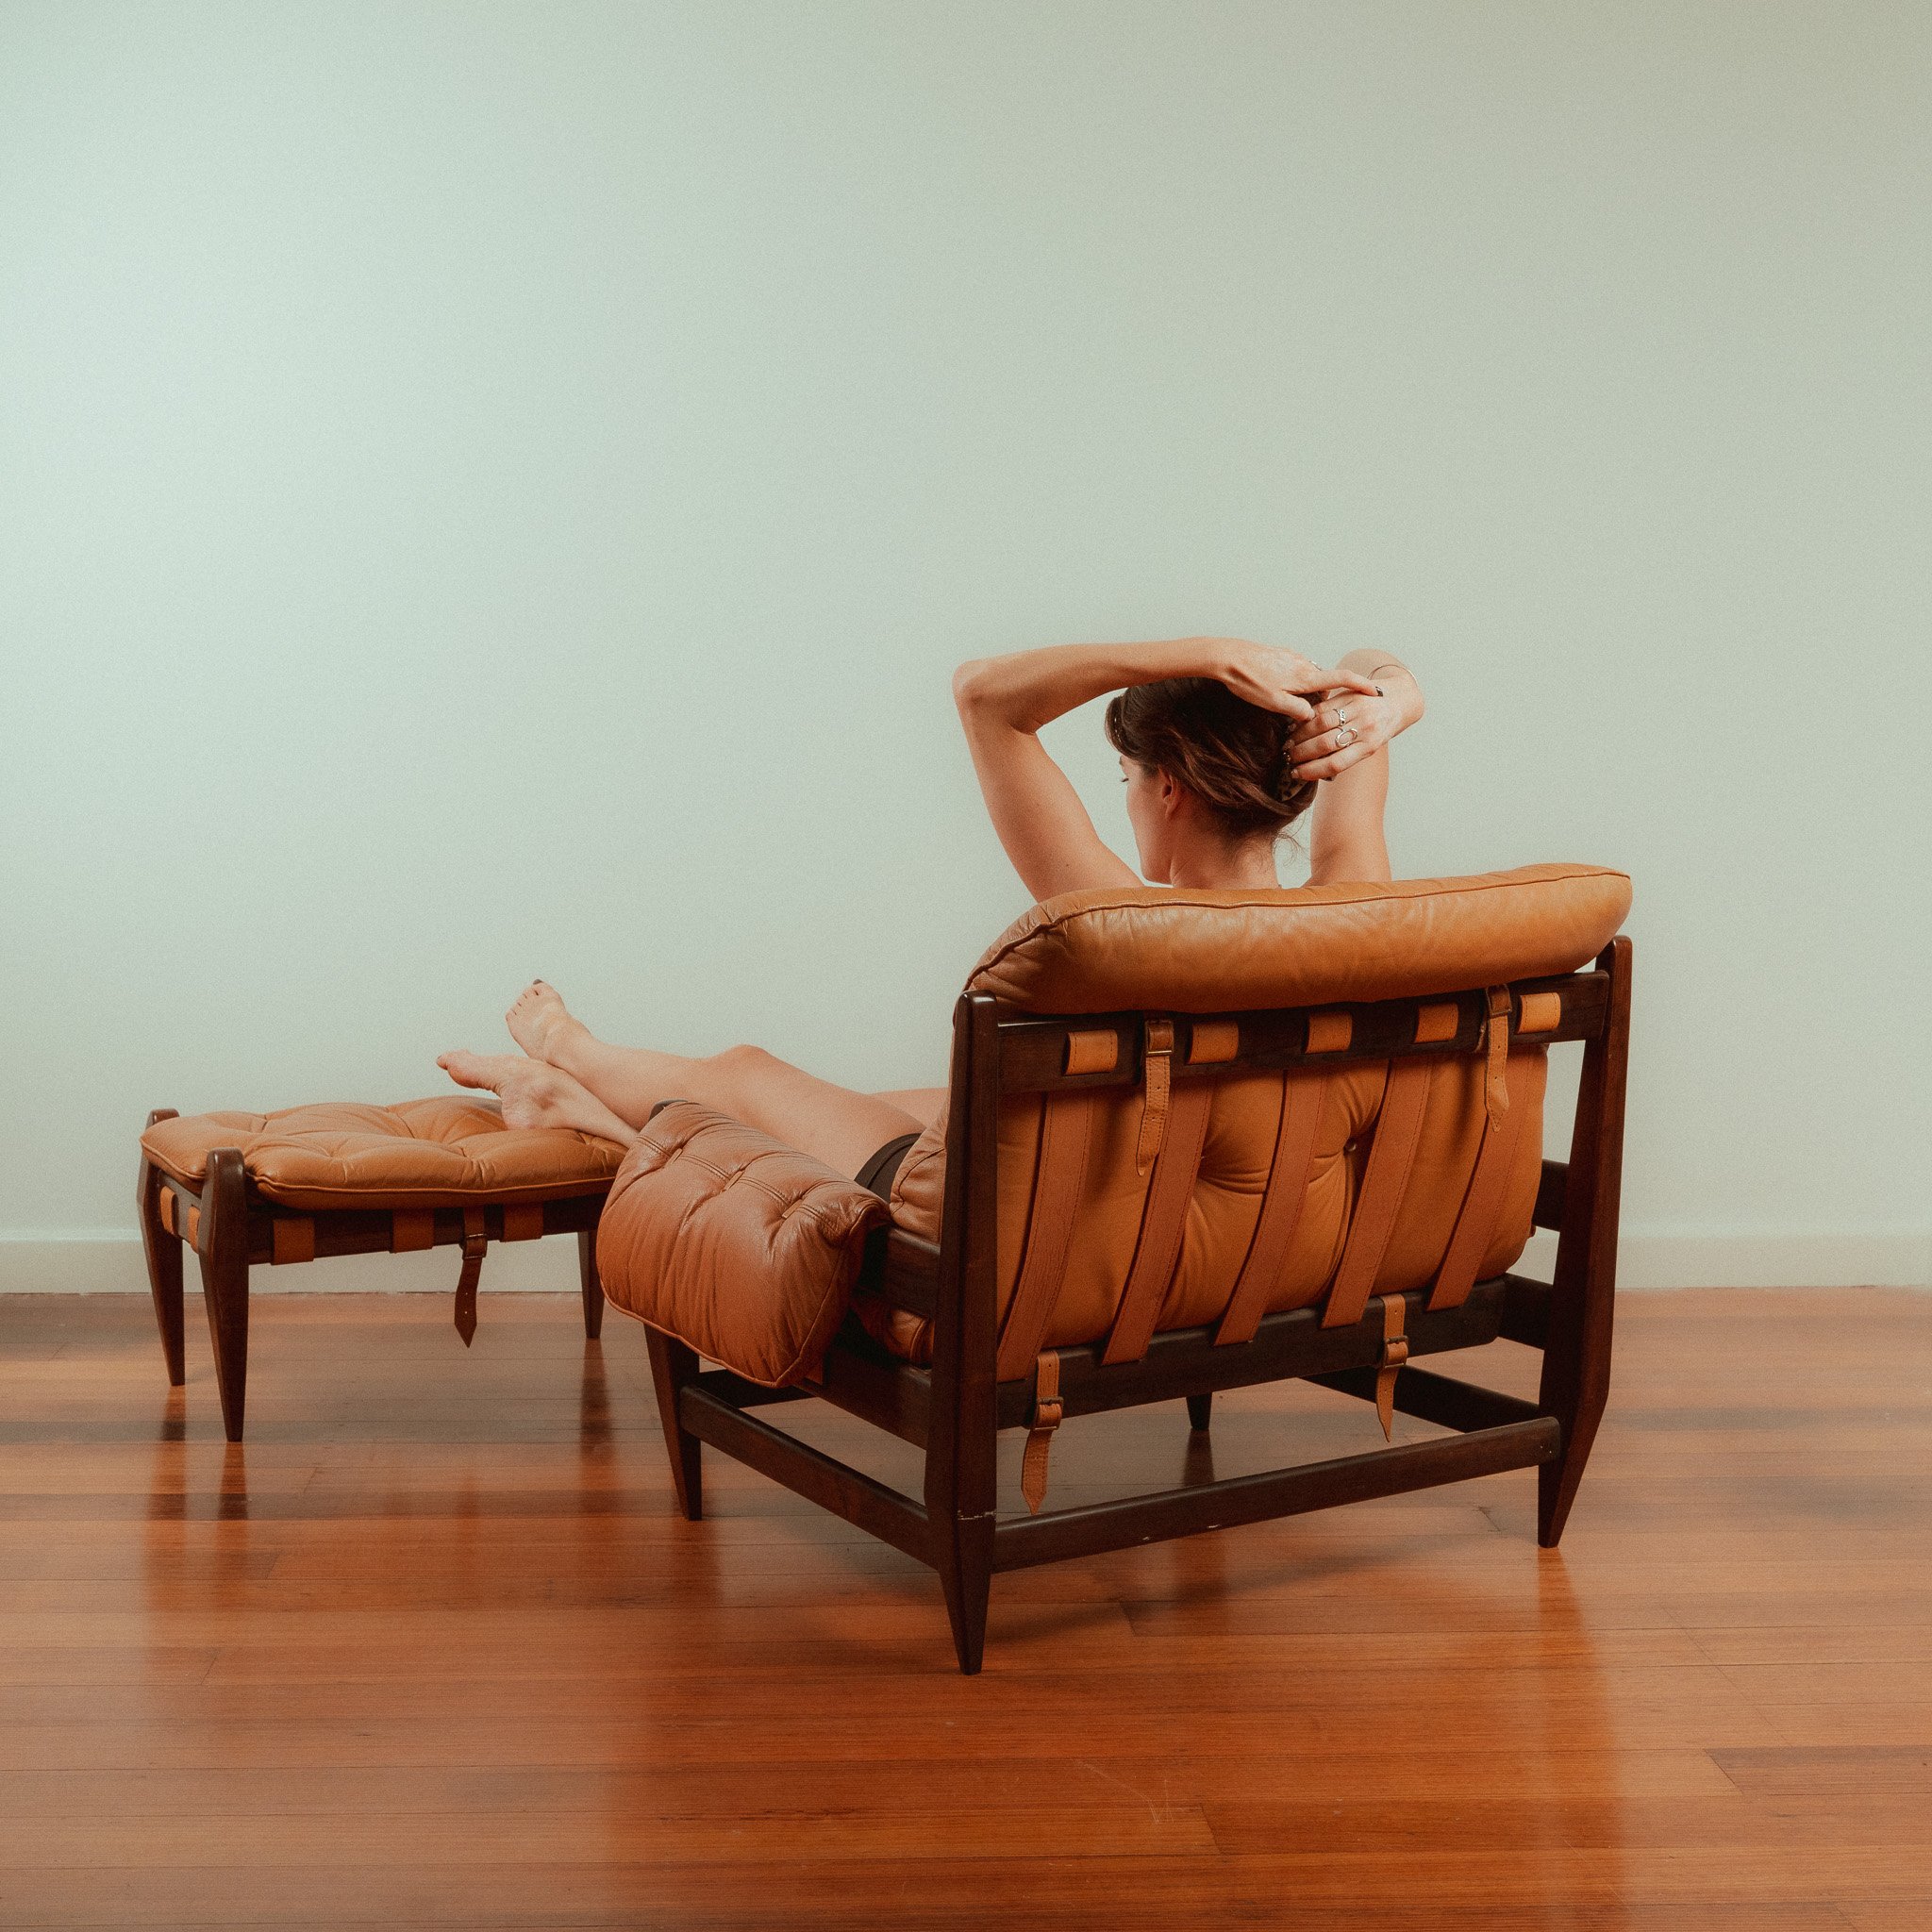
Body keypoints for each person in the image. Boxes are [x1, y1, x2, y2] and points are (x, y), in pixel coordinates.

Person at [436, 638, 1424, 1191]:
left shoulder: (1125, 928)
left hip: (1018, 1222)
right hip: (1191, 1200)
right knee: (931, 1100)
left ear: (1166, 789)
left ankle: (566, 1065)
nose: (1122, 796)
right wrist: (1387, 707)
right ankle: (584, 1087)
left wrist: (1193, 649)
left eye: (1123, 775)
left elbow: (983, 695)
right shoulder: (1351, 904)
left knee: (742, 1077)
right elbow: (1371, 666)